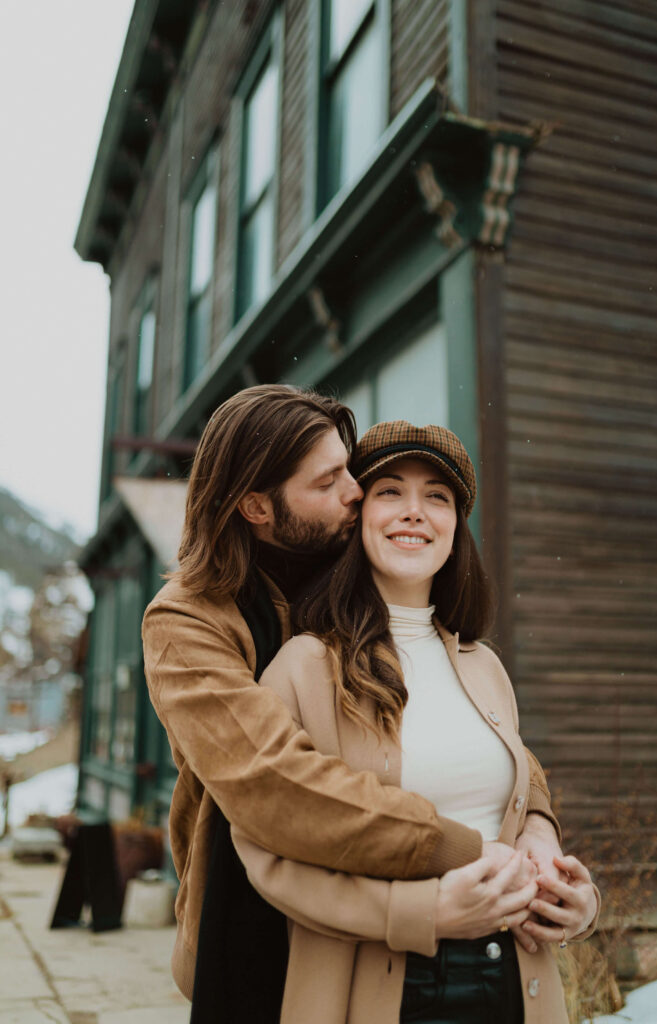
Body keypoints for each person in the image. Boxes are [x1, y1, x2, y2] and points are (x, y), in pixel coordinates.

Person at [142, 387, 564, 1022]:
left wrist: (536, 823)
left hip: (419, 940)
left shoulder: (348, 568)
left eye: (351, 468)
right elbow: (277, 786)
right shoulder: (188, 623)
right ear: (258, 506)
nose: (358, 491)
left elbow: (467, 735)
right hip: (257, 917)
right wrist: (469, 849)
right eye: (331, 479)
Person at [230, 420, 600, 1024]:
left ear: (456, 527)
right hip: (379, 989)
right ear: (358, 518)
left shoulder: (485, 669)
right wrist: (421, 912)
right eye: (389, 491)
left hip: (515, 979)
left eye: (437, 497)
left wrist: (569, 898)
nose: (414, 512)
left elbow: (514, 797)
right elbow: (266, 853)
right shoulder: (304, 666)